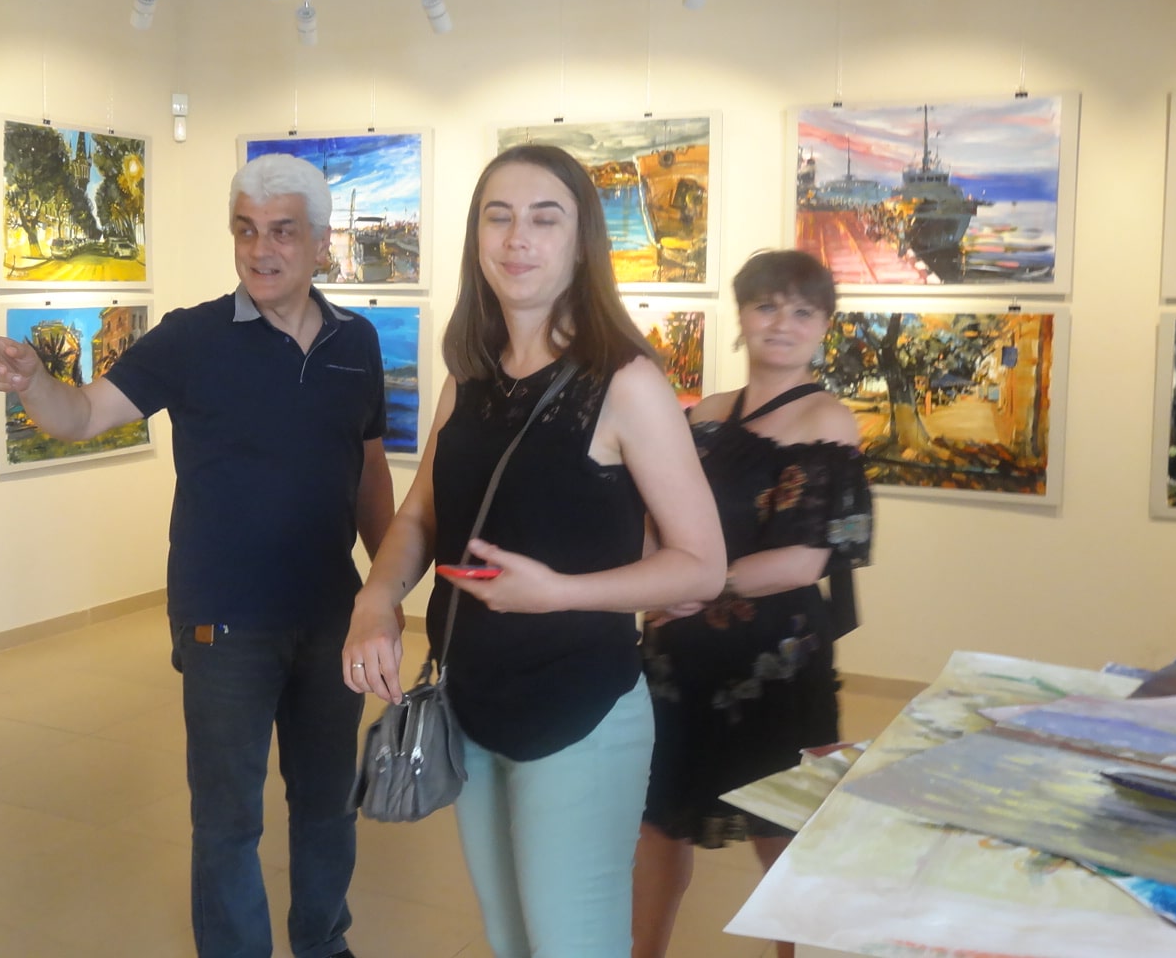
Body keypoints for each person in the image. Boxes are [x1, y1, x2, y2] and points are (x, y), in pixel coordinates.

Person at [0, 154, 393, 958]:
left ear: (321, 242)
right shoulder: (191, 337)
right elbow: (82, 416)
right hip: (225, 622)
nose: (260, 250)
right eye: (245, 231)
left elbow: (367, 468)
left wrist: (383, 592)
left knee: (328, 806)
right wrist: (32, 383)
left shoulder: (356, 342)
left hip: (332, 616)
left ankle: (324, 944)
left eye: (283, 232)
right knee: (227, 822)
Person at [342, 144, 726, 958]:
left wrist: (558, 592)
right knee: (513, 941)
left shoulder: (625, 383)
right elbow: (419, 516)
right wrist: (375, 599)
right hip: (472, 702)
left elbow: (702, 563)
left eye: (545, 219)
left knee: (571, 944)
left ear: (581, 243)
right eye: (499, 217)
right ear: (476, 238)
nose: (518, 238)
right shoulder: (468, 378)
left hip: (580, 711)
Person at [631, 249, 873, 958]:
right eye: (766, 306)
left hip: (775, 661)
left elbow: (804, 560)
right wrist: (654, 575)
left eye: (802, 311)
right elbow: (658, 514)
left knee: (780, 827)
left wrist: (690, 582)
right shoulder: (706, 412)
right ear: (740, 317)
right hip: (680, 654)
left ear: (823, 326)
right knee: (659, 822)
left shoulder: (829, 418)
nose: (781, 323)